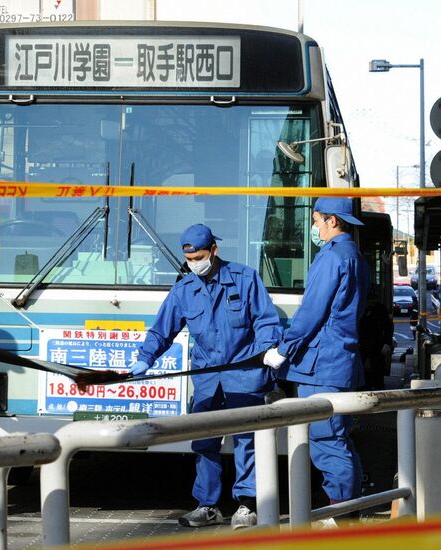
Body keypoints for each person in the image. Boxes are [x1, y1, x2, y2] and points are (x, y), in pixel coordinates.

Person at [130, 223, 282, 529]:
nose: (194, 263)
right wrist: (145, 358)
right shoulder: (184, 290)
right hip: (207, 379)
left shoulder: (245, 278)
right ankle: (208, 506)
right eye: (189, 259)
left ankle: (247, 505)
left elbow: (266, 320)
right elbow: (162, 330)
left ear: (214, 251)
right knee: (204, 442)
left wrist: (268, 350)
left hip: (245, 374)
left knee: (246, 440)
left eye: (199, 256)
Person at [263, 197, 369, 509]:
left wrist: (283, 349)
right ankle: (349, 509)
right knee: (339, 439)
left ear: (332, 221)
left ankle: (342, 515)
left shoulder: (331, 257)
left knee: (326, 442)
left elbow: (312, 312)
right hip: (342, 363)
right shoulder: (356, 256)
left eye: (316, 220)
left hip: (322, 365)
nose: (314, 226)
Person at [359, 288, 393, 390]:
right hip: (364, 343)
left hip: (377, 343)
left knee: (377, 370)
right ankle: (367, 386)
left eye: (373, 300)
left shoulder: (379, 310)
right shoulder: (363, 310)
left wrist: (387, 342)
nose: (372, 302)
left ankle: (376, 386)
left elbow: (388, 327)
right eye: (370, 300)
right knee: (365, 369)